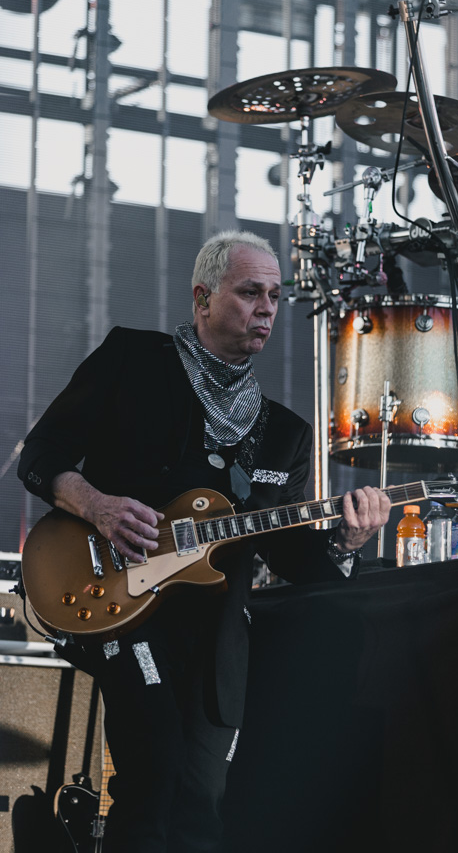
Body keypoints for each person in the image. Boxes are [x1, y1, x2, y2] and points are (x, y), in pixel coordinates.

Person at [18, 230, 391, 853]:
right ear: (202, 298)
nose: (267, 308)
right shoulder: (133, 360)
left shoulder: (285, 436)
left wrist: (348, 543)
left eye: (274, 295)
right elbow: (41, 456)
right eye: (250, 292)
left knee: (203, 803)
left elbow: (292, 555)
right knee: (153, 770)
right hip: (118, 603)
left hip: (217, 637)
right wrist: (98, 506)